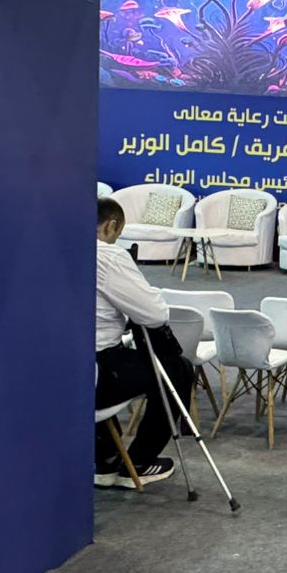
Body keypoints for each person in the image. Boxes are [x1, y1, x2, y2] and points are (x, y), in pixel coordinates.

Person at [94, 196, 189, 488]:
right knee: (177, 370)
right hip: (97, 372)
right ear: (111, 226)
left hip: (44, 370)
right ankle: (139, 461)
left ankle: (103, 459)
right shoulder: (108, 256)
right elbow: (154, 314)